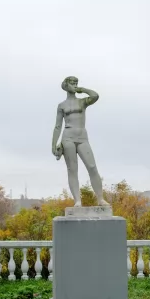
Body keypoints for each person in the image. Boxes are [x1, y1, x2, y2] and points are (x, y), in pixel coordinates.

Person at [52, 76, 109, 207]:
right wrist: (54, 145)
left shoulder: (82, 102)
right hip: (68, 137)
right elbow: (57, 126)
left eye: (76, 83)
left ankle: (100, 198)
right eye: (72, 83)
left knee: (92, 167)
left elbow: (95, 96)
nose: (75, 85)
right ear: (66, 85)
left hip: (82, 137)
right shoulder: (62, 105)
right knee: (72, 170)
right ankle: (77, 200)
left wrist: (82, 89)